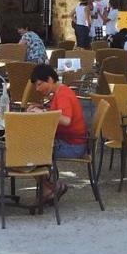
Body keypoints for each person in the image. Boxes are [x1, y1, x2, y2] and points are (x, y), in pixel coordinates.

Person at [27, 63, 86, 205]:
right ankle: (48, 189)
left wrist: (43, 112)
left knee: (31, 152)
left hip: (72, 146)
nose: (37, 89)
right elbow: (59, 112)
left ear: (50, 80)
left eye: (40, 84)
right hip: (71, 142)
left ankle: (51, 187)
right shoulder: (60, 92)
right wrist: (43, 107)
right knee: (33, 149)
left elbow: (66, 120)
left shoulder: (63, 94)